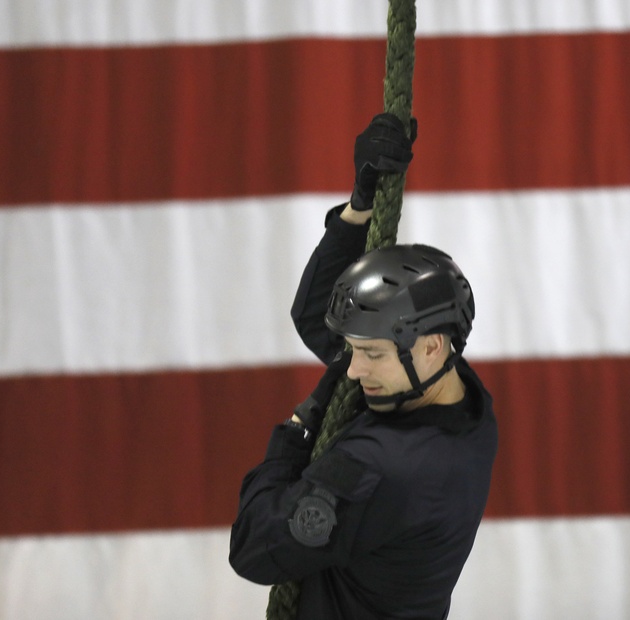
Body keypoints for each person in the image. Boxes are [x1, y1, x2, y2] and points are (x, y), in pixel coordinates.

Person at [228, 113, 499, 619]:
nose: (352, 370)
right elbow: (316, 320)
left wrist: (290, 441)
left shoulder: (378, 468)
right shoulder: (461, 399)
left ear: (432, 346)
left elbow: (252, 547)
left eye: (370, 354)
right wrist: (360, 210)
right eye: (358, 350)